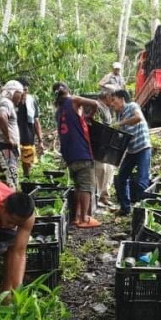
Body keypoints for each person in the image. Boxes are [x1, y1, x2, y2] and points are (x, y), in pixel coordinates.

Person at [52, 82, 102, 228]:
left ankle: (76, 217)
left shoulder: (59, 111)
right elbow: (95, 103)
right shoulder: (74, 100)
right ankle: (84, 219)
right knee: (86, 186)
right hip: (81, 151)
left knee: (78, 186)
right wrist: (88, 115)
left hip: (69, 154)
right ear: (68, 90)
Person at [109, 89, 152, 217]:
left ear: (122, 99)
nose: (112, 103)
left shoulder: (132, 106)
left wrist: (120, 124)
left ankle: (142, 212)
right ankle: (125, 208)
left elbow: (138, 118)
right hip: (132, 150)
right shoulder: (120, 115)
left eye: (114, 100)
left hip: (143, 148)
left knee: (141, 181)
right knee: (121, 177)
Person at [0, 80, 24, 190]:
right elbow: (2, 116)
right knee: (11, 185)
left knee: (4, 184)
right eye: (20, 94)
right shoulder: (6, 102)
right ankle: (11, 207)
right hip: (5, 149)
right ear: (14, 92)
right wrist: (9, 138)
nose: (20, 98)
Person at [86, 90, 116, 208]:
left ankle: (104, 196)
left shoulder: (107, 108)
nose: (113, 100)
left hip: (106, 145)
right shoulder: (97, 106)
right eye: (112, 97)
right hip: (98, 146)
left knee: (109, 170)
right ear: (107, 96)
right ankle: (96, 197)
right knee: (100, 170)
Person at [17, 77, 45, 178]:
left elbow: (36, 121)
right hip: (13, 136)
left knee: (27, 163)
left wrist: (40, 140)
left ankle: (26, 178)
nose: (25, 92)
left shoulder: (31, 101)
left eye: (27, 90)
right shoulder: (11, 101)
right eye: (23, 90)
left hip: (27, 136)